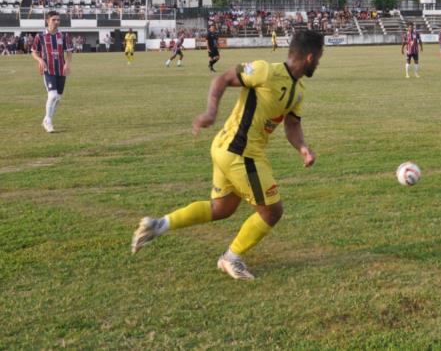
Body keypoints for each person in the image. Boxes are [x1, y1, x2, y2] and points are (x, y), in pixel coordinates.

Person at [131, 30, 325, 280]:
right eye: (319, 57)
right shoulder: (265, 71)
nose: (319, 62)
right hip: (240, 152)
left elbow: (292, 126)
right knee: (272, 211)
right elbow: (222, 79)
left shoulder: (298, 91)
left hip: (227, 150)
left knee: (222, 208)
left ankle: (159, 225)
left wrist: (302, 148)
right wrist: (211, 112)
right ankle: (231, 257)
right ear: (310, 57)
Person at [31, 11, 74, 133]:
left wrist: (67, 64)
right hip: (48, 69)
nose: (56, 22)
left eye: (58, 20)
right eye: (54, 19)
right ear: (47, 21)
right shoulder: (40, 36)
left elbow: (69, 51)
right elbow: (34, 51)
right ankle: (48, 122)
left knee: (58, 98)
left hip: (61, 70)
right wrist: (40, 60)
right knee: (53, 95)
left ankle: (46, 119)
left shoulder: (64, 36)